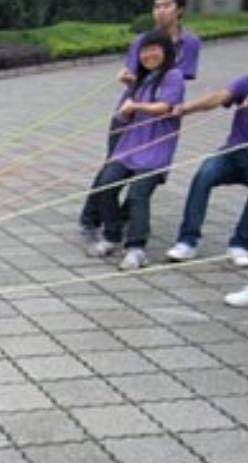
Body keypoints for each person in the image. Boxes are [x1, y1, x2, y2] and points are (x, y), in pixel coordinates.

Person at [80, 0, 200, 238]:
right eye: (156, 6)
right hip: (129, 113)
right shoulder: (139, 41)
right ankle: (90, 218)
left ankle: (124, 220)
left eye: (166, 5)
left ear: (180, 10)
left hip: (159, 116)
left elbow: (175, 81)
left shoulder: (191, 43)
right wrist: (129, 80)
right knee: (112, 167)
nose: (160, 11)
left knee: (147, 172)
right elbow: (139, 75)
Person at [82, 31, 184, 272]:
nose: (148, 54)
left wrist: (136, 105)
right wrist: (129, 99)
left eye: (154, 49)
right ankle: (112, 236)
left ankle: (136, 249)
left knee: (138, 195)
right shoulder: (140, 80)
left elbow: (166, 106)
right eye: (143, 50)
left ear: (165, 51)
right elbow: (121, 114)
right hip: (129, 147)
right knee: (105, 186)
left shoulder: (173, 75)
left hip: (155, 149)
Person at [164, 76, 247, 268]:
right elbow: (219, 96)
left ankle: (241, 244)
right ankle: (187, 241)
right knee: (203, 176)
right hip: (232, 152)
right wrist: (186, 108)